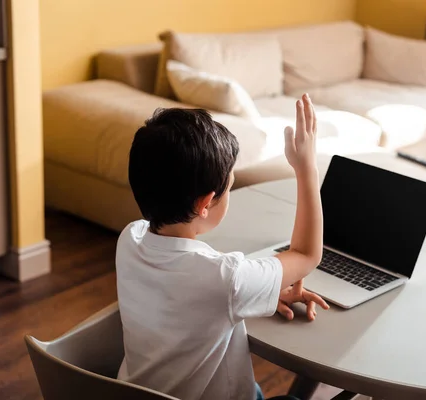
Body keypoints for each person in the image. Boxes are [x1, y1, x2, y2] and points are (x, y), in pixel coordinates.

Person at [116, 93, 329, 400]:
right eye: (230, 185)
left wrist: (261, 291)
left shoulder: (130, 239)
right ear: (205, 204)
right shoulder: (227, 278)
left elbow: (189, 302)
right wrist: (306, 167)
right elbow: (307, 254)